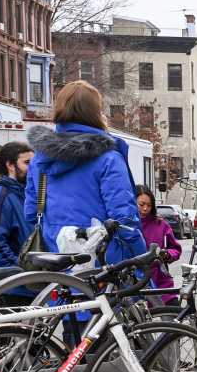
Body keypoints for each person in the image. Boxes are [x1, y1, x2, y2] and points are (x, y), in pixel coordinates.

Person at [26, 81, 145, 263]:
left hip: (54, 257)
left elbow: (31, 213)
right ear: (95, 112)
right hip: (102, 259)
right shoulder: (108, 159)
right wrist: (141, 257)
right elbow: (124, 217)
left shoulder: (40, 160)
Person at [0, 141, 35, 307]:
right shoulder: (0, 195)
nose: (33, 168)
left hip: (29, 282)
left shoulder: (25, 193)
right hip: (13, 285)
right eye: (27, 163)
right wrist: (20, 269)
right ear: (10, 165)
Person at [136, 186, 182, 304]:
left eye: (149, 205)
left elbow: (176, 249)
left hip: (162, 285)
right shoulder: (126, 226)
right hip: (135, 287)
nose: (145, 208)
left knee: (175, 313)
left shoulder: (161, 225)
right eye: (141, 204)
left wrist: (167, 254)